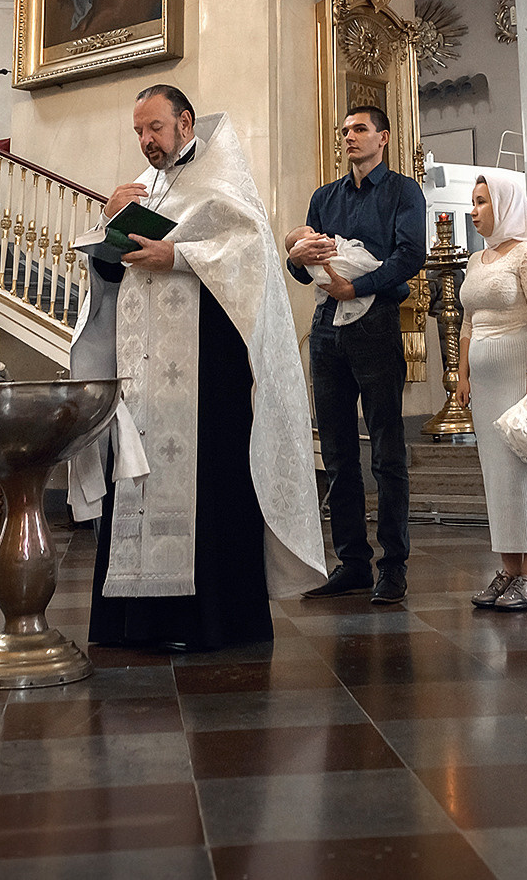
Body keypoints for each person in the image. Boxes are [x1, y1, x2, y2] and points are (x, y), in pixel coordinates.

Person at [70, 86, 327, 651]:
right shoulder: (148, 186)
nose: (146, 141)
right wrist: (108, 226)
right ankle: (135, 623)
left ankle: (212, 623)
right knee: (136, 481)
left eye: (155, 128)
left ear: (185, 122)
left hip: (208, 376)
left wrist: (179, 255)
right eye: (138, 131)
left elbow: (250, 254)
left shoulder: (221, 178)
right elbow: (119, 275)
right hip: (144, 379)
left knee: (210, 488)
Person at [284, 105, 428, 603]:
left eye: (359, 129)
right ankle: (352, 561)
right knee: (339, 451)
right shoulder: (325, 197)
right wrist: (296, 260)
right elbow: (304, 265)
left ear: (383, 138)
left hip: (375, 324)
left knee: (387, 450)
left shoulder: (403, 191)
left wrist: (359, 286)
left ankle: (393, 565)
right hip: (327, 329)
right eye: (344, 130)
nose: (349, 136)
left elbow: (411, 256)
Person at [456, 170, 527, 612]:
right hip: (484, 381)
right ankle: (509, 568)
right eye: (473, 201)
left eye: (481, 201)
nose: (473, 210)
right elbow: (467, 321)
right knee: (496, 477)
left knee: (523, 471)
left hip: (521, 376)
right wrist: (462, 375)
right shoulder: (477, 260)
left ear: (504, 204)